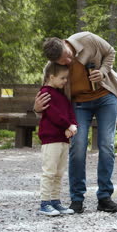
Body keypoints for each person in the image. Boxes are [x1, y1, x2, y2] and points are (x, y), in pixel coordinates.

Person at [34, 32, 117, 214]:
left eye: (67, 55)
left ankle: (104, 197)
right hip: (78, 104)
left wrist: (102, 72)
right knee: (77, 146)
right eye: (63, 61)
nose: (68, 61)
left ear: (65, 43)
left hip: (105, 97)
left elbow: (110, 52)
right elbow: (47, 91)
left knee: (106, 145)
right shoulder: (52, 67)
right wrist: (37, 107)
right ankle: (77, 199)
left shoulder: (87, 39)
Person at [38, 62, 77, 216]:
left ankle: (56, 201)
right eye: (62, 78)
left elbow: (70, 112)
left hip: (63, 139)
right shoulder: (45, 92)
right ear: (51, 77)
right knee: (49, 171)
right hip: (51, 139)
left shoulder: (62, 95)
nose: (65, 81)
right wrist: (67, 125)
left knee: (59, 172)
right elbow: (54, 114)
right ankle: (44, 203)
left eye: (66, 78)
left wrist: (73, 126)